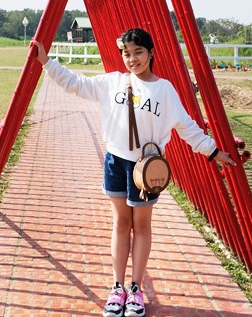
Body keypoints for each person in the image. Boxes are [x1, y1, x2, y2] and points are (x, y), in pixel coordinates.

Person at [31, 28, 236, 317]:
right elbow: (75, 83)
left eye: (138, 52)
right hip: (115, 162)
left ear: (151, 53)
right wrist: (46, 62)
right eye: (126, 53)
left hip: (146, 169)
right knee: (119, 223)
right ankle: (117, 288)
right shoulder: (112, 83)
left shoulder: (164, 90)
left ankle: (136, 289)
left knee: (140, 227)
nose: (132, 58)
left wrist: (214, 152)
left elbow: (187, 127)